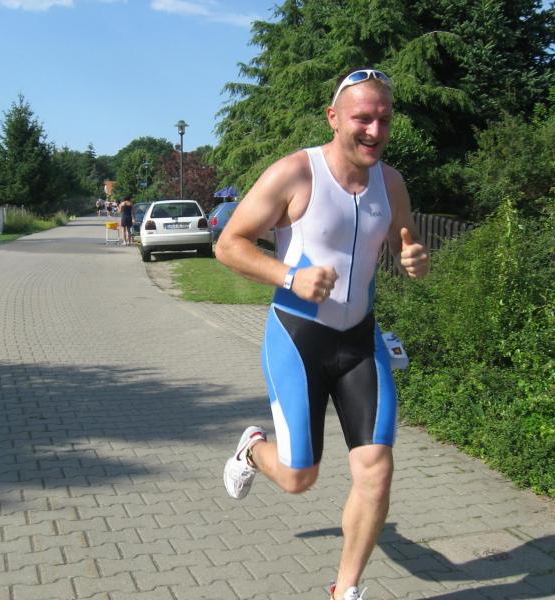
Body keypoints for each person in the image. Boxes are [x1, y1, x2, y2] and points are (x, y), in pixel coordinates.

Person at [216, 67, 430, 600]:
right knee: (298, 478)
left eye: (384, 119)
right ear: (334, 118)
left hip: (360, 343)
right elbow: (228, 243)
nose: (375, 131)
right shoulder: (295, 173)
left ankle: (345, 589)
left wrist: (413, 256)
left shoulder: (391, 182)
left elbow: (404, 238)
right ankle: (252, 449)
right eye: (363, 118)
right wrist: (290, 276)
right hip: (298, 339)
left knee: (376, 470)